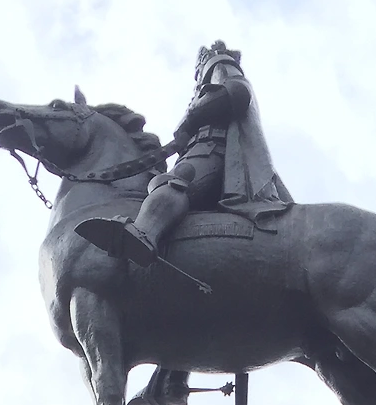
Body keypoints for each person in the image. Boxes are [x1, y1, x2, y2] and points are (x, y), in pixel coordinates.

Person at [75, 40, 290, 268]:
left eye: (198, 70)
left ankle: (143, 233)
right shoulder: (208, 81)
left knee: (173, 183)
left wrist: (191, 115)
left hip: (212, 147)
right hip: (201, 147)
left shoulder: (218, 65)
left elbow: (237, 91)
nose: (198, 76)